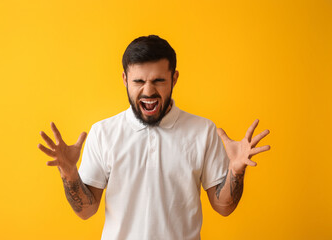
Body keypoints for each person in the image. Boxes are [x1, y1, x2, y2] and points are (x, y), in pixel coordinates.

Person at [38, 35, 270, 240]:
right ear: (125, 79)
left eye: (158, 80)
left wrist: (236, 170)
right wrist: (69, 173)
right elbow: (86, 211)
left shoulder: (203, 130)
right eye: (139, 81)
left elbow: (223, 207)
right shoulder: (103, 132)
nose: (148, 91)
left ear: (174, 78)